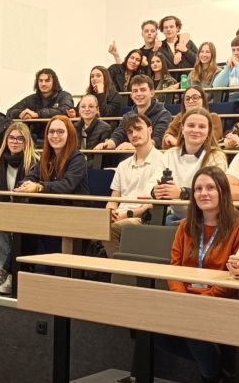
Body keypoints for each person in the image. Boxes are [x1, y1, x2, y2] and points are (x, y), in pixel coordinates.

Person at [159, 166, 239, 383]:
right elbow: (174, 268)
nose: (203, 193)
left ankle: (209, 376)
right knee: (147, 326)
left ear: (223, 192)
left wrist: (202, 299)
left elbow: (233, 278)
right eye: (198, 188)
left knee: (192, 323)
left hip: (221, 300)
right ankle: (220, 367)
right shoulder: (185, 226)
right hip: (187, 298)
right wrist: (182, 297)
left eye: (210, 187)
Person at [15, 116, 90, 258]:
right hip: (48, 213)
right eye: (51, 131)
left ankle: (11, 272)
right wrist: (25, 185)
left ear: (70, 135)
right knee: (20, 230)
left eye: (60, 132)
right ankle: (12, 272)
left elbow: (67, 185)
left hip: (72, 215)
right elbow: (30, 178)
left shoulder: (78, 158)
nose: (55, 136)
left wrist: (39, 187)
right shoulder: (46, 156)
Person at [0, 122, 38, 296]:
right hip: (4, 211)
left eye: (19, 139)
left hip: (26, 213)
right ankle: (3, 271)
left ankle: (10, 274)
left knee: (16, 227)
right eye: (11, 138)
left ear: (26, 141)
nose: (15, 142)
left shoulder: (34, 162)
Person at [103, 114, 164, 257]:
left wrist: (126, 214)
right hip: (121, 216)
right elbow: (114, 199)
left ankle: (120, 274)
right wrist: (110, 211)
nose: (134, 134)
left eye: (138, 129)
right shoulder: (123, 165)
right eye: (130, 132)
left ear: (150, 130)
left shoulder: (163, 161)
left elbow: (153, 204)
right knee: (89, 226)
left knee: (110, 230)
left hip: (144, 217)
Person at [155, 108, 229, 224]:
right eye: (191, 125)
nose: (196, 130)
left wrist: (181, 193)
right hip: (175, 216)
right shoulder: (169, 154)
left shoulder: (216, 156)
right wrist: (156, 191)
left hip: (205, 218)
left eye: (202, 127)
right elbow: (152, 183)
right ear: (182, 129)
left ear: (209, 132)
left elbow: (215, 192)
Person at [95, 75, 173, 154]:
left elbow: (157, 140)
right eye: (135, 91)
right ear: (131, 95)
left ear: (152, 93)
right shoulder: (127, 116)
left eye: (143, 90)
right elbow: (118, 134)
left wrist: (134, 146)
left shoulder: (164, 115)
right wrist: (108, 144)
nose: (139, 94)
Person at [6, 68, 74, 137]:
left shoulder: (65, 96)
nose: (43, 84)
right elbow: (10, 112)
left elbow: (65, 110)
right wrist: (20, 114)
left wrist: (37, 114)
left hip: (58, 136)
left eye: (47, 81)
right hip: (34, 139)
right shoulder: (31, 99)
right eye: (40, 81)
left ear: (54, 82)